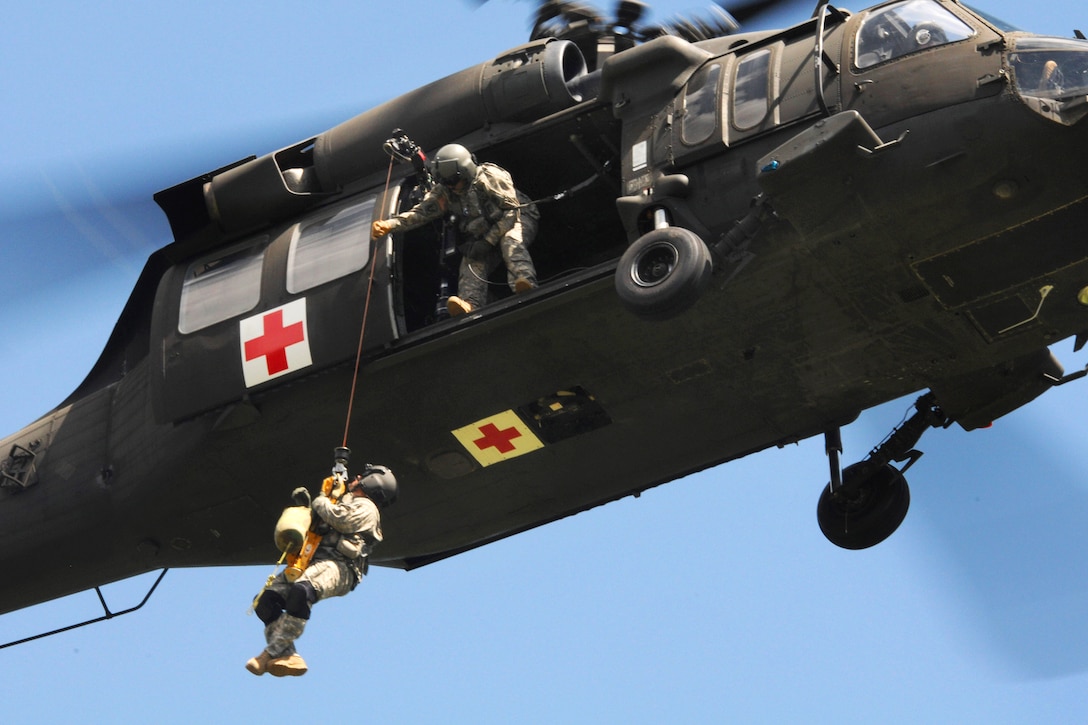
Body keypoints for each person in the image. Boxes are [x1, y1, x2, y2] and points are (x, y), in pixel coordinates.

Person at [246, 465, 397, 677]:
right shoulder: (343, 501)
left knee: (301, 591)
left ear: (372, 483)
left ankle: (270, 653)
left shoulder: (367, 507)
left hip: (341, 567)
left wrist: (320, 501)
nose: (357, 477)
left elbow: (342, 521)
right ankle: (289, 655)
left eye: (363, 476)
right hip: (311, 561)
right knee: (265, 601)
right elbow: (320, 526)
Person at [371, 143, 540, 316]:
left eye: (452, 181)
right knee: (471, 262)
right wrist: (390, 225)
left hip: (519, 218)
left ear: (465, 172)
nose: (449, 186)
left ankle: (525, 282)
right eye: (445, 182)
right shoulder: (447, 192)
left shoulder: (490, 178)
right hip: (487, 233)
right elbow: (422, 213)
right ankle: (471, 304)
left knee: (510, 242)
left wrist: (488, 241)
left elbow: (511, 212)